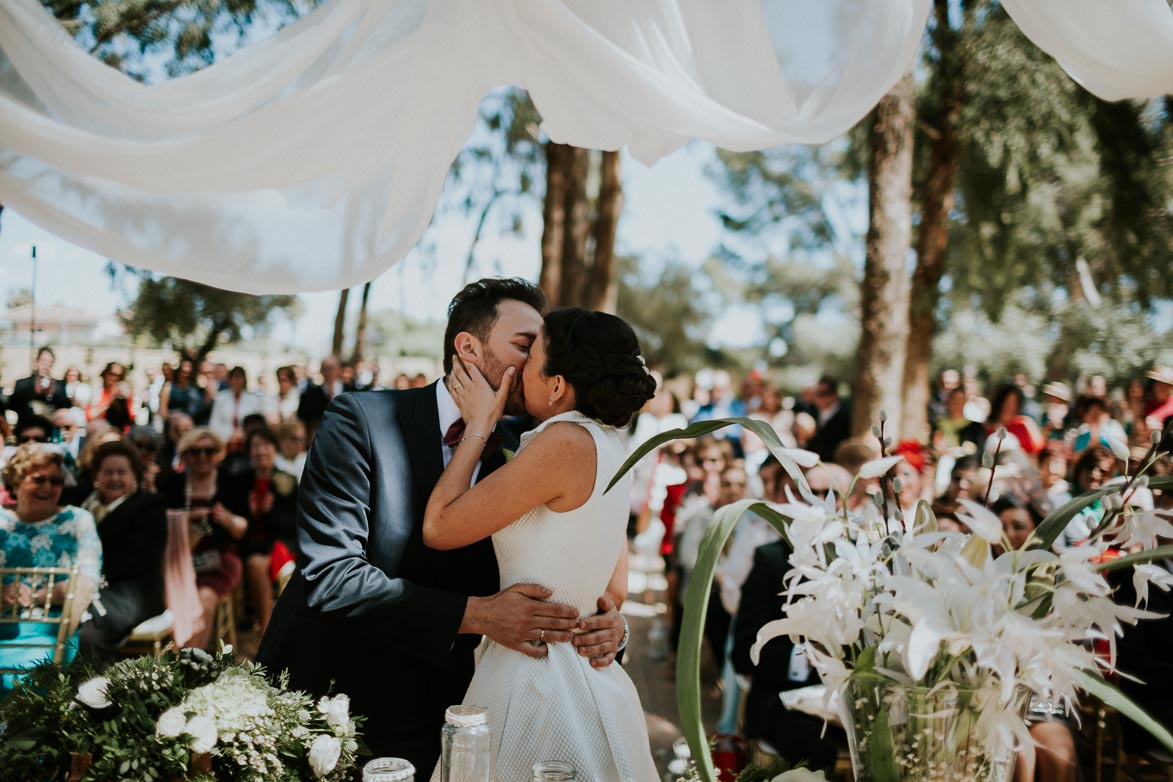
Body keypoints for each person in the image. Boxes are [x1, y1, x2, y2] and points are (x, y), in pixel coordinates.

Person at [257, 279, 629, 773]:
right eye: (525, 345)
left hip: (454, 704)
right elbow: (332, 575)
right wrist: (478, 615)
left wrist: (608, 624)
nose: (541, 361)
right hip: (337, 685)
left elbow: (575, 552)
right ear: (468, 347)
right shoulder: (361, 419)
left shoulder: (539, 444)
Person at [421, 305, 658, 780]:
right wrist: (612, 622)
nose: (521, 366)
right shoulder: (612, 444)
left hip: (537, 682)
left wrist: (480, 426)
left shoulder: (563, 441)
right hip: (591, 678)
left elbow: (440, 527)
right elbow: (614, 588)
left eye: (532, 357)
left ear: (556, 386)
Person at [0, 444, 101, 691]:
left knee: (30, 674)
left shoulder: (77, 521)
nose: (48, 487)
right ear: (16, 482)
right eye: (38, 479)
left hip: (50, 629)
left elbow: (86, 582)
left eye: (55, 481)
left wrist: (34, 595)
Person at [160, 428, 250, 650]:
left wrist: (229, 520)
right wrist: (187, 518)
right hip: (180, 559)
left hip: (220, 557)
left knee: (205, 598)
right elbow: (158, 522)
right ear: (185, 455)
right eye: (195, 452)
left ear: (218, 454)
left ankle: (191, 664)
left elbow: (243, 529)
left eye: (208, 451)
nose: (202, 457)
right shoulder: (173, 484)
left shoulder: (230, 482)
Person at [77, 440, 167, 660]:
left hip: (130, 593)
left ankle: (92, 690)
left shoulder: (150, 506)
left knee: (88, 636)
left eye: (121, 472)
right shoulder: (83, 506)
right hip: (85, 589)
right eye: (107, 472)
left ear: (134, 476)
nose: (114, 478)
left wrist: (89, 576)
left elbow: (144, 557)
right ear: (96, 476)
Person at [239, 427, 298, 636]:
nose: (261, 451)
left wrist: (270, 512)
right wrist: (250, 513)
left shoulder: (287, 480)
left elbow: (295, 524)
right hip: (248, 543)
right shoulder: (241, 480)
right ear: (249, 450)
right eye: (256, 445)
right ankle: (265, 626)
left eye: (266, 445)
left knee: (257, 563)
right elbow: (236, 518)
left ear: (275, 449)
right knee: (254, 560)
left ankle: (266, 629)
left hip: (279, 543)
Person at [7, 346, 71, 427]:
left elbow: (66, 406)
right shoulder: (22, 384)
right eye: (43, 361)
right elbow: (12, 405)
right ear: (36, 362)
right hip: (26, 428)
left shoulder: (59, 385)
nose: (46, 365)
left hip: (49, 428)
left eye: (49, 362)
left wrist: (52, 396)